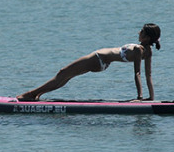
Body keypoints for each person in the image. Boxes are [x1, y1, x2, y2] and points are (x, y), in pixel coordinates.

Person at [17, 23, 161, 102]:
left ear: (147, 37)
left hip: (98, 59)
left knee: (63, 73)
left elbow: (138, 73)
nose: (138, 33)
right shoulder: (148, 52)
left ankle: (30, 94)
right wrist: (151, 98)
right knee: (66, 76)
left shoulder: (138, 49)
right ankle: (37, 95)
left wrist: (140, 98)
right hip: (101, 63)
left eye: (141, 31)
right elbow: (148, 76)